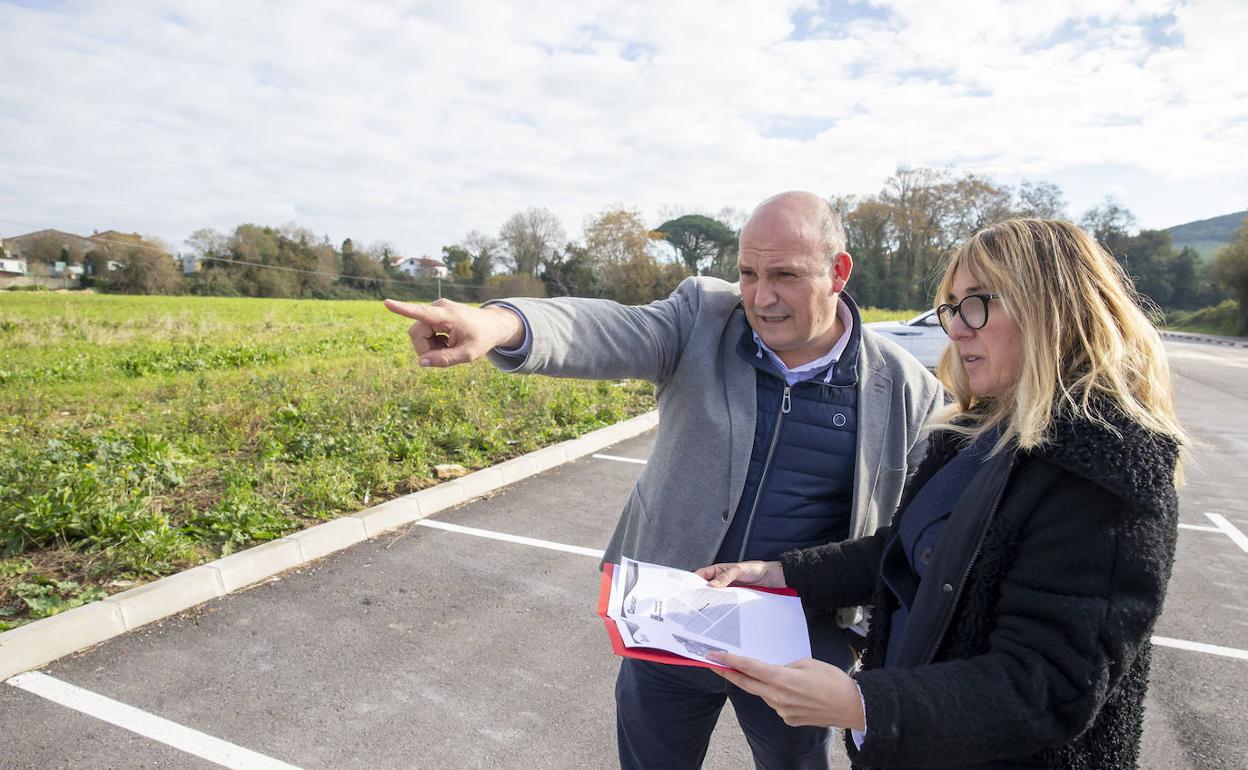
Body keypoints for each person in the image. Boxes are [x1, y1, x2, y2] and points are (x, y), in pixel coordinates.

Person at [385, 191, 942, 769]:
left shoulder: (902, 388)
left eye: (785, 275)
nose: (762, 297)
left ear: (838, 272)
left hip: (800, 647)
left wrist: (858, 645)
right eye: (748, 273)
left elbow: (912, 536)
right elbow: (607, 329)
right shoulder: (703, 319)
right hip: (671, 626)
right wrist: (498, 323)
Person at [697, 218, 1187, 769]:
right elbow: (905, 551)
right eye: (951, 307)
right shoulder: (977, 430)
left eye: (976, 303)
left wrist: (860, 702)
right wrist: (780, 574)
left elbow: (1048, 685)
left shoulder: (1107, 465)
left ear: (1052, 308)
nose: (955, 329)